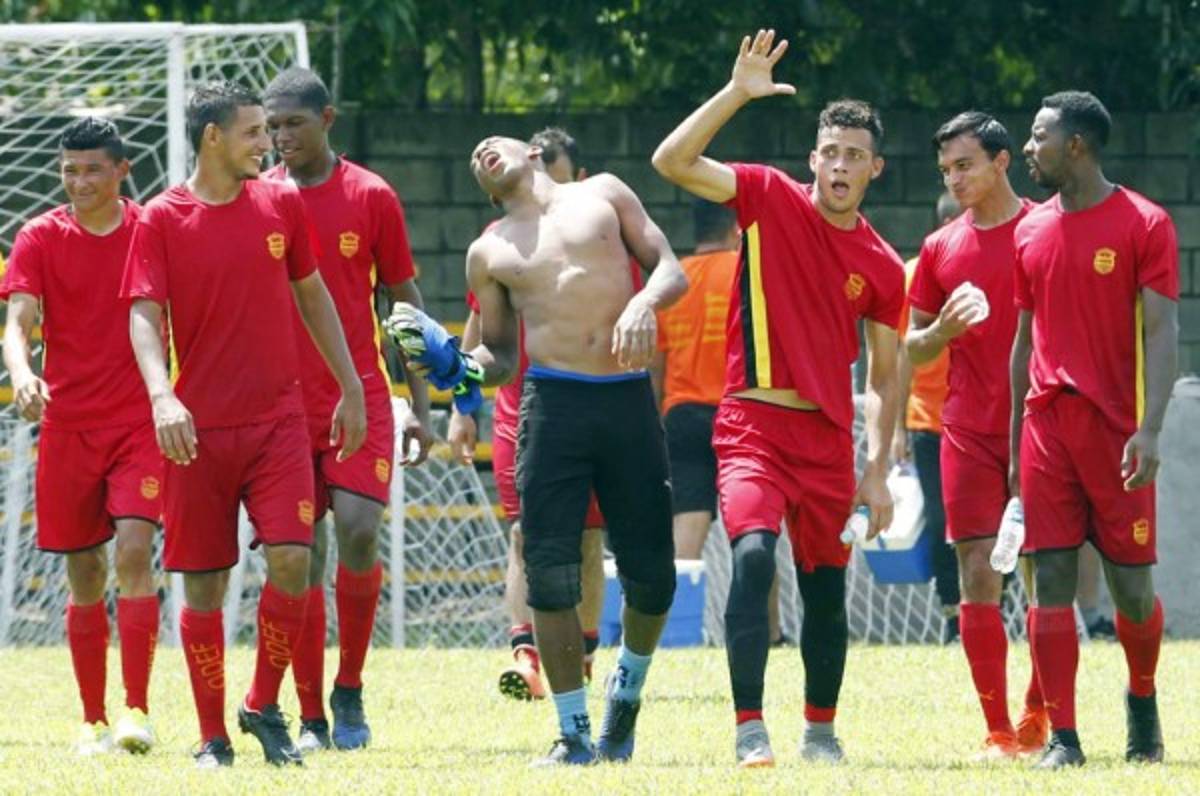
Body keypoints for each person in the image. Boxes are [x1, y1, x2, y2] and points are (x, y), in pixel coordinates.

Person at [389, 133, 687, 766]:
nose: (480, 154)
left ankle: (625, 697)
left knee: (653, 577)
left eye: (490, 144)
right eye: (472, 158)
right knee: (548, 572)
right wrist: (457, 369)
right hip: (552, 408)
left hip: (627, 400)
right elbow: (497, 355)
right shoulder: (487, 251)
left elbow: (670, 268)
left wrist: (643, 301)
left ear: (528, 150)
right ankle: (573, 732)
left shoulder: (603, 194)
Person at [652, 29, 903, 767]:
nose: (841, 164)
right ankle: (748, 726)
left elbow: (887, 377)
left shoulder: (884, 266)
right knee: (754, 556)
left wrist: (879, 466)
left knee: (826, 591)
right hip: (751, 425)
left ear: (875, 169)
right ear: (813, 160)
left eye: (856, 154)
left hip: (828, 443)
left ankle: (820, 730)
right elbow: (670, 161)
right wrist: (736, 93)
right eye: (831, 151)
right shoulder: (764, 195)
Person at [122, 81, 367, 768]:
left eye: (269, 130)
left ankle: (261, 702)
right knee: (204, 584)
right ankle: (212, 736)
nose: (269, 143)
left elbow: (312, 295)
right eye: (254, 132)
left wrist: (351, 386)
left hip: (280, 422)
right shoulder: (162, 218)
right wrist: (161, 397)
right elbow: (143, 313)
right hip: (195, 430)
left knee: (293, 560)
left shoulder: (281, 203)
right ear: (212, 138)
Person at [261, 66, 434, 753]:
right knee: (299, 555)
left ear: (327, 120)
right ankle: (309, 714)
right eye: (271, 128)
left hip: (359, 394)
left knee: (360, 531)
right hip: (280, 407)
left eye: (293, 125)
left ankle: (350, 687)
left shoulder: (372, 196)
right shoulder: (257, 198)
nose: (280, 139)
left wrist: (420, 401)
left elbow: (405, 300)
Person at [1012, 90, 1177, 769]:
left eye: (1039, 136)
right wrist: (1012, 439)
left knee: (1132, 592)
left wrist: (1151, 429)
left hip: (1117, 438)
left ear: (1075, 144)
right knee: (1049, 578)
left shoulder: (1145, 222)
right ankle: (1065, 737)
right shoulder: (1029, 230)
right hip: (1046, 428)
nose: (1029, 147)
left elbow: (1165, 329)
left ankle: (1142, 701)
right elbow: (1023, 341)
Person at [0, 117, 161, 757]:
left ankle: (137, 710)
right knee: (85, 573)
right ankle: (93, 719)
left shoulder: (152, 230)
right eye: (70, 169)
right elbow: (18, 322)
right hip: (68, 426)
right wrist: (23, 374)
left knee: (132, 548)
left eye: (93, 168)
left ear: (122, 171)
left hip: (140, 422)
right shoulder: (39, 236)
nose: (79, 181)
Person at [447, 127, 611, 701]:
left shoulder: (603, 221)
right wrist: (464, 405)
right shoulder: (497, 241)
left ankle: (583, 653)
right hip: (524, 408)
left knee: (589, 539)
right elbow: (478, 325)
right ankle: (527, 657)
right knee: (525, 534)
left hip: (596, 400)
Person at [903, 112, 1046, 758]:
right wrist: (942, 333)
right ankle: (997, 731)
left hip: (1043, 428)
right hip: (965, 430)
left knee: (1048, 571)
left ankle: (1040, 713)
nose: (955, 179)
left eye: (965, 166)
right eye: (946, 171)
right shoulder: (940, 248)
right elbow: (914, 347)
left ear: (1002, 162)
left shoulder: (1048, 228)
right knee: (975, 572)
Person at [892, 192, 960, 645]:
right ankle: (953, 615)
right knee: (941, 520)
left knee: (989, 520)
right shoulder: (915, 274)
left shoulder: (995, 263)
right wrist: (896, 425)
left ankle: (988, 606)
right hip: (928, 419)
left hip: (978, 417)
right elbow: (903, 353)